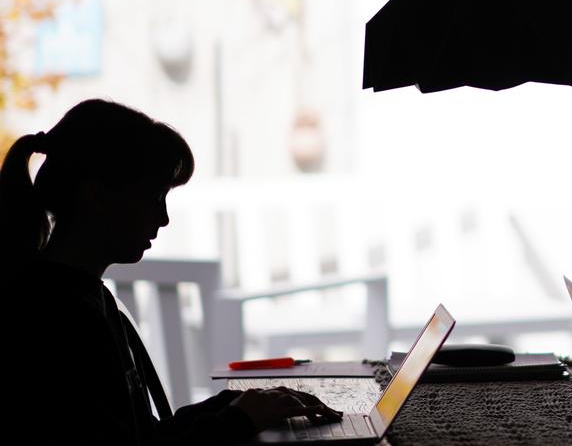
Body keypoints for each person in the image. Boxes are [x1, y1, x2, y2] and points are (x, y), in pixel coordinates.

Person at [0, 99, 342, 445]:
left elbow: (138, 434)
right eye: (152, 197)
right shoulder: (59, 318)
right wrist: (239, 418)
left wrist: (238, 405)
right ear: (96, 194)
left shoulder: (79, 296)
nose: (162, 218)